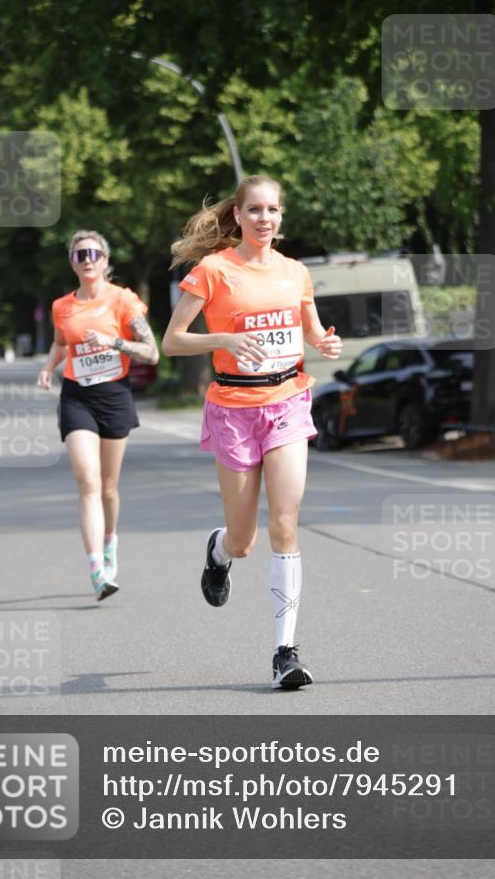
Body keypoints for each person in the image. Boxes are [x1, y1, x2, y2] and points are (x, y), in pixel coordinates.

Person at [162, 174, 342, 689]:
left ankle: (285, 651)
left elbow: (311, 332)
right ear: (237, 216)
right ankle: (218, 552)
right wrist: (226, 339)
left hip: (287, 400)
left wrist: (324, 345)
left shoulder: (296, 273)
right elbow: (174, 341)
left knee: (286, 521)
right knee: (244, 540)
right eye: (256, 210)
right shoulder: (212, 271)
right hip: (233, 406)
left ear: (282, 218)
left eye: (274, 210)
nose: (266, 218)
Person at [37, 230, 159, 602]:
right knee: (87, 480)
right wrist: (48, 368)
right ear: (72, 263)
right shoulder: (63, 307)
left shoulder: (123, 301)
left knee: (108, 486)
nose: (87, 258)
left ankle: (109, 542)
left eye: (94, 253)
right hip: (77, 397)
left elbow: (151, 352)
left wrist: (113, 342)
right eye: (79, 254)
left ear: (105, 260)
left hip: (114, 396)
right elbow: (61, 343)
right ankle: (96, 569)